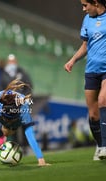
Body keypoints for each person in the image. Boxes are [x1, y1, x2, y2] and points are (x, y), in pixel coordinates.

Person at [0, 79, 50, 169]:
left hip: (14, 116)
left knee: (9, 132)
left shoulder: (24, 110)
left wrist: (41, 159)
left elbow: (30, 135)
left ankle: (1, 129)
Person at [63, 0, 106, 160]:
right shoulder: (88, 19)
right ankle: (101, 146)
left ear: (95, 3)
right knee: (93, 114)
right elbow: (85, 46)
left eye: (85, 5)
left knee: (103, 100)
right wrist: (72, 60)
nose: (83, 9)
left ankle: (105, 146)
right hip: (91, 70)